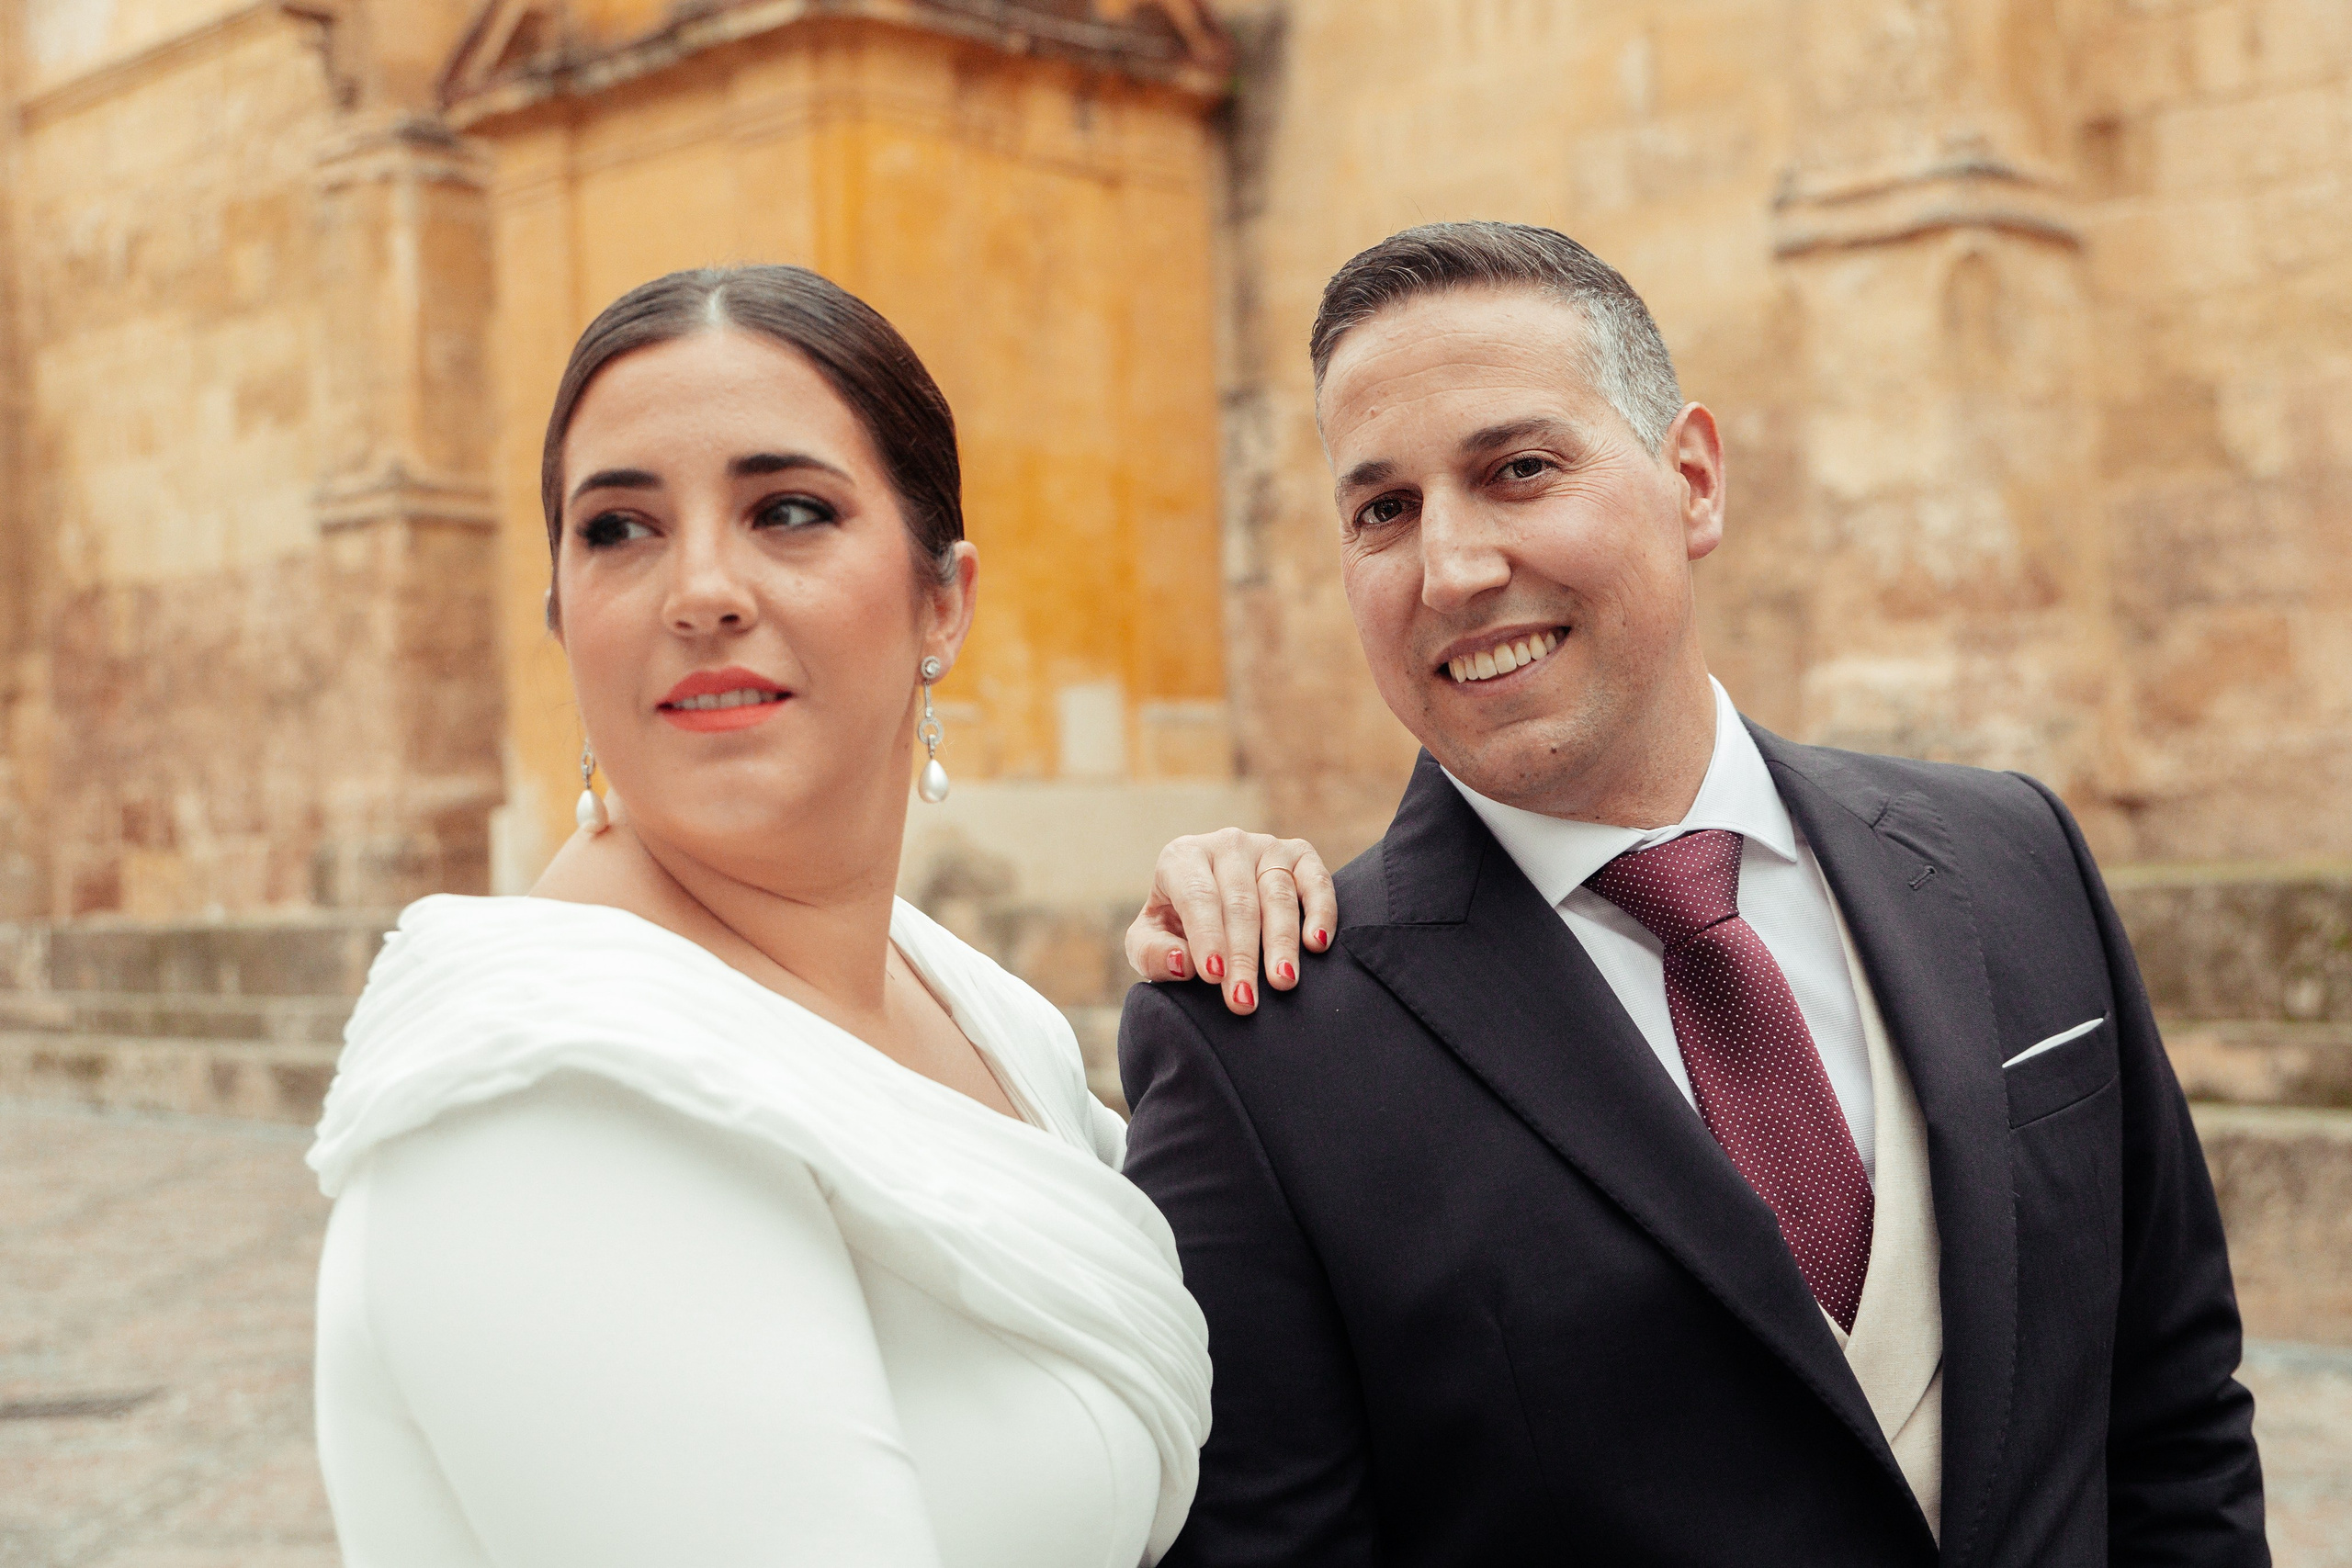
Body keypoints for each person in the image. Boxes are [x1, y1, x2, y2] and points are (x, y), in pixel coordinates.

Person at [1117, 222, 2267, 1565]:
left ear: (1694, 480)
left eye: (1520, 470)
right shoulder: (1263, 1045)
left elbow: (2176, 1409)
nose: (1453, 569)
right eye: (1384, 510)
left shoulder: (2014, 855)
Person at [306, 265, 1329, 1568]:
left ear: (941, 602)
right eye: (618, 529)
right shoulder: (556, 1094)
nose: (702, 589)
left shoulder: (976, 1006)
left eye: (787, 510)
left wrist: (1252, 928)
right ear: (563, 618)